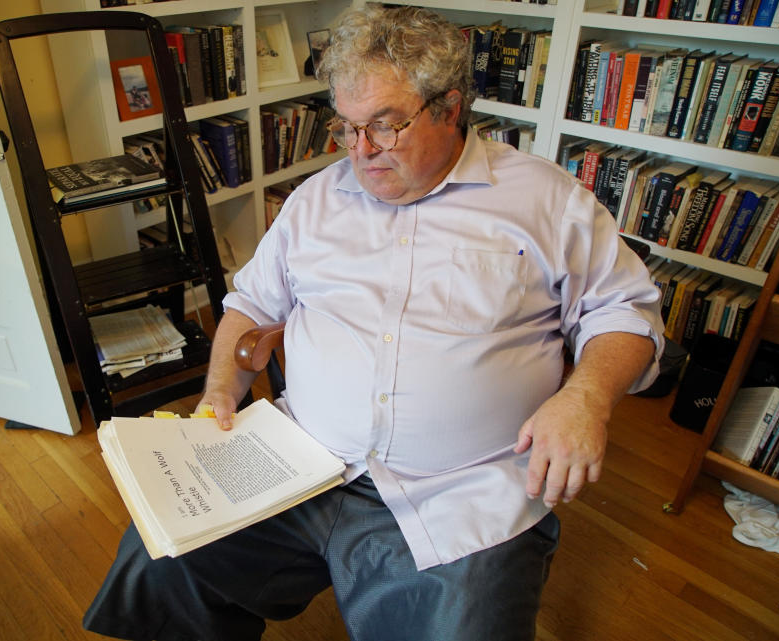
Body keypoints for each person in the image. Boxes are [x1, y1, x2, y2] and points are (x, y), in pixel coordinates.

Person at [84, 5, 665, 640]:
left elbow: (625, 310)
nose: (361, 151)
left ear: (449, 108)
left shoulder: (547, 202)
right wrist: (219, 391)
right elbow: (249, 304)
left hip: (461, 492)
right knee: (160, 560)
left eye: (385, 127)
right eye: (347, 127)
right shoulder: (314, 202)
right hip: (296, 461)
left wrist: (586, 397)